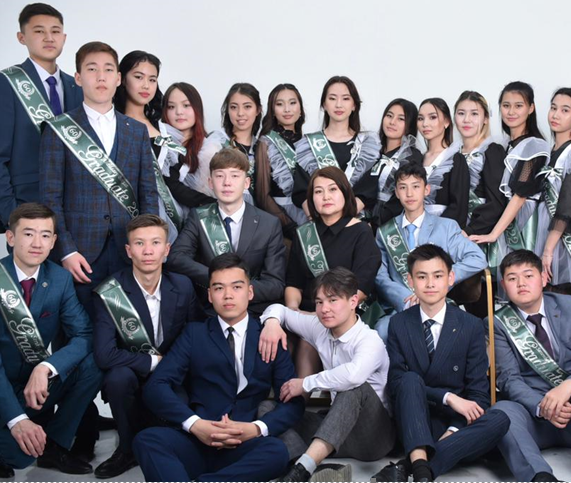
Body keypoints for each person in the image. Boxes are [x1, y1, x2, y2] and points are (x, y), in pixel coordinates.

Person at [0, 203, 101, 477]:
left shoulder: (59, 278)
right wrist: (17, 420)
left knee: (93, 362)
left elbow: (83, 334)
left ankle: (54, 445)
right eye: (28, 234)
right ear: (10, 237)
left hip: (33, 384)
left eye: (45, 235)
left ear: (54, 241)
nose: (37, 243)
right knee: (19, 457)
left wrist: (46, 367)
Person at [132, 254, 304, 482]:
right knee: (146, 440)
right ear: (210, 295)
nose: (228, 295)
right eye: (219, 288)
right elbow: (156, 386)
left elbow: (292, 400)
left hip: (244, 444)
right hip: (197, 441)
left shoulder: (269, 336)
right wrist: (195, 424)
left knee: (277, 451)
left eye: (236, 287)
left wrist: (256, 428)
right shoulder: (195, 333)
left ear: (250, 292)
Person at [39, 41, 159, 319]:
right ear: (78, 78)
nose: (101, 77)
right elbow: (50, 198)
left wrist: (148, 244)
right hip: (79, 255)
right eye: (92, 69)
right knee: (79, 328)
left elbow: (148, 194)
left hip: (129, 250)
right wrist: (66, 251)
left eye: (108, 70)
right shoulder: (59, 129)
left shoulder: (136, 131)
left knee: (128, 329)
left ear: (118, 78)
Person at [372, 244, 510, 482]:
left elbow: (478, 394)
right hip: (415, 417)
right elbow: (396, 383)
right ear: (410, 281)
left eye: (438, 276)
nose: (430, 284)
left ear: (450, 278)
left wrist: (453, 430)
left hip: (457, 422)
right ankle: (424, 470)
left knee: (500, 419)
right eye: (421, 277)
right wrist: (448, 397)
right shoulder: (399, 323)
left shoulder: (470, 325)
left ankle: (416, 464)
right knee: (409, 379)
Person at [489, 250, 571, 482]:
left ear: (543, 278)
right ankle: (540, 477)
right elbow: (509, 380)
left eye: (528, 275)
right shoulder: (497, 323)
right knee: (502, 411)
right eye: (512, 278)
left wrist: (567, 386)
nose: (521, 283)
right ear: (504, 285)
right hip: (535, 420)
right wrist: (543, 407)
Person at [257, 268, 394, 482]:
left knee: (353, 388)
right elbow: (279, 310)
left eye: (332, 300)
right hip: (336, 430)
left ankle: (301, 471)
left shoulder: (369, 340)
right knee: (267, 408)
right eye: (319, 302)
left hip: (373, 438)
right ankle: (306, 464)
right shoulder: (319, 327)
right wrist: (272, 323)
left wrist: (306, 383)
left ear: (353, 301)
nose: (324, 309)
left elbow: (352, 376)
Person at [91, 214, 202, 478]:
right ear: (128, 251)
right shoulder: (110, 292)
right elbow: (104, 354)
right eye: (139, 243)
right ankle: (126, 449)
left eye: (155, 243)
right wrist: (153, 362)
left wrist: (171, 367)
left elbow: (195, 336)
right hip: (131, 372)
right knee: (117, 378)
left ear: (167, 250)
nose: (148, 251)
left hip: (171, 374)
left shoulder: (183, 285)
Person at [0, 3, 83, 234]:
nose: (49, 38)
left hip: (76, 212)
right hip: (27, 208)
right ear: (22, 37)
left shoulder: (77, 86)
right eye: (39, 31)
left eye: (55, 31)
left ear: (64, 38)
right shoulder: (7, 83)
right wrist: (12, 215)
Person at [166, 148, 286, 317]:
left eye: (235, 176)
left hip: (253, 313)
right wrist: (217, 279)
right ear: (210, 182)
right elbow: (176, 258)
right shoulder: (199, 217)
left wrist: (238, 291)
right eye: (220, 176)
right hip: (210, 312)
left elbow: (275, 284)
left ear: (246, 183)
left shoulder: (269, 224)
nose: (227, 182)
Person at [374, 162, 487, 341]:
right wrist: (406, 298)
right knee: (382, 330)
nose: (409, 193)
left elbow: (477, 258)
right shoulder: (384, 232)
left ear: (426, 190)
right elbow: (380, 277)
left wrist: (441, 279)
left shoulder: (446, 227)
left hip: (439, 304)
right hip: (402, 307)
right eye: (403, 188)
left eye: (415, 186)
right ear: (396, 192)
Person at [285, 167, 381, 376]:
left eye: (332, 189)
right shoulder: (304, 234)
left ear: (345, 193)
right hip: (308, 313)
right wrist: (293, 311)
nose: (326, 197)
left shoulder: (361, 231)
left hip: (348, 312)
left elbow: (363, 286)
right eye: (318, 191)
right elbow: (293, 282)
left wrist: (325, 313)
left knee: (311, 338)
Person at [469, 82, 549, 264]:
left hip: (525, 220)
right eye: (506, 106)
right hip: (505, 218)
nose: (511, 112)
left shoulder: (534, 146)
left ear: (531, 108)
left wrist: (493, 234)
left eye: (518, 106)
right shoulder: (503, 145)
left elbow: (520, 194)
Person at [113, 51, 187, 242]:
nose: (146, 85)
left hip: (166, 215)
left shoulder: (163, 128)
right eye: (138, 77)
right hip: (123, 212)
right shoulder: (111, 124)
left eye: (152, 79)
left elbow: (173, 180)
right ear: (122, 79)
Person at [530, 88, 571, 300]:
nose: (556, 115)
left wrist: (548, 249)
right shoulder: (548, 151)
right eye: (553, 108)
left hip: (562, 235)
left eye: (565, 110)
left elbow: (568, 203)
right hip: (541, 229)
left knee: (561, 293)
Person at [292, 76, 380, 218]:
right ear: (324, 105)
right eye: (332, 98)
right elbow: (302, 191)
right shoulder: (308, 145)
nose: (339, 105)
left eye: (345, 98)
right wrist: (319, 221)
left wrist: (342, 222)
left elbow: (367, 191)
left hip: (355, 222)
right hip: (318, 221)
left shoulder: (368, 145)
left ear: (354, 105)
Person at [456, 91, 508, 281]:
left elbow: (497, 201)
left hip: (479, 233)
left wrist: (469, 231)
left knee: (481, 290)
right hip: (456, 230)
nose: (466, 119)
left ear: (485, 119)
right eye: (461, 113)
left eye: (474, 114)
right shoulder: (453, 153)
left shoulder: (491, 150)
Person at [355, 98, 423, 229]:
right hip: (359, 218)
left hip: (388, 226)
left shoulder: (411, 156)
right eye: (389, 116)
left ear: (410, 124)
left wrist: (375, 223)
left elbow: (404, 196)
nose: (392, 122)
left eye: (401, 119)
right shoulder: (370, 151)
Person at [254, 84, 307, 237]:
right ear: (272, 110)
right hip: (281, 215)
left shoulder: (308, 142)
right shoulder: (266, 142)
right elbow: (262, 195)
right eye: (279, 104)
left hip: (309, 212)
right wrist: (287, 224)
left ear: (300, 108)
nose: (287, 109)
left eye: (292, 103)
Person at [160, 82, 217, 211]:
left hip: (199, 216)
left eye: (186, 105)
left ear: (197, 109)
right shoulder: (158, 143)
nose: (179, 112)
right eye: (171, 107)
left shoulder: (209, 149)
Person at [418, 97, 470, 229]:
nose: (425, 123)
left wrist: (435, 231)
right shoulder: (417, 159)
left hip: (443, 230)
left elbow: (459, 206)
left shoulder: (456, 159)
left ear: (446, 122)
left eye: (432, 117)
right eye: (420, 118)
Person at [221, 83, 263, 203]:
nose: (240, 113)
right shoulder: (217, 144)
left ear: (258, 110)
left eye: (247, 106)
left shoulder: (263, 147)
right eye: (234, 107)